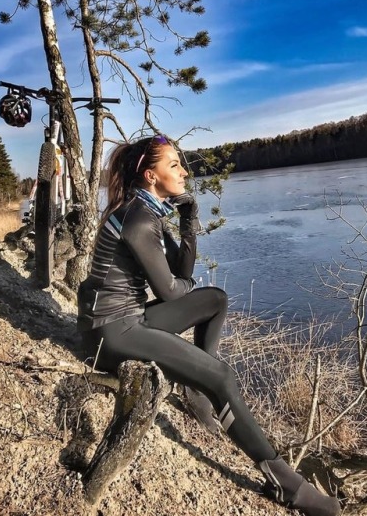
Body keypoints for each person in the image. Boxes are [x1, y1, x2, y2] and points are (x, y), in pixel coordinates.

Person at [77, 135, 340, 516]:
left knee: (214, 300)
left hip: (125, 318)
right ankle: (289, 486)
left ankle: (195, 393)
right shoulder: (137, 218)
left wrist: (189, 220)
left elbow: (182, 272)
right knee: (221, 376)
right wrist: (184, 286)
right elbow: (171, 290)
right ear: (151, 176)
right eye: (173, 166)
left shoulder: (148, 211)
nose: (184, 172)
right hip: (110, 332)